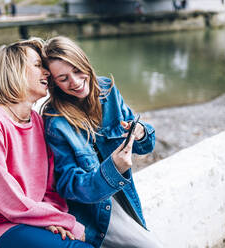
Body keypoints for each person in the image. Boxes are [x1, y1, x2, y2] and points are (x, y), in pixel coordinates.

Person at [0, 38, 93, 248]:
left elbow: (49, 189)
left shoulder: (38, 122)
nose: (47, 73)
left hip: (27, 221)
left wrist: (53, 221)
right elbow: (8, 200)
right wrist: (62, 221)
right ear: (16, 70)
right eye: (38, 65)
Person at [42, 36, 163, 248]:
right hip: (94, 212)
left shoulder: (107, 90)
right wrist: (112, 169)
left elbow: (146, 146)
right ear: (54, 83)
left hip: (124, 196)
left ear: (85, 63)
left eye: (78, 70)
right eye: (63, 78)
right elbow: (69, 185)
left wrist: (141, 132)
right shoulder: (55, 122)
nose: (76, 82)